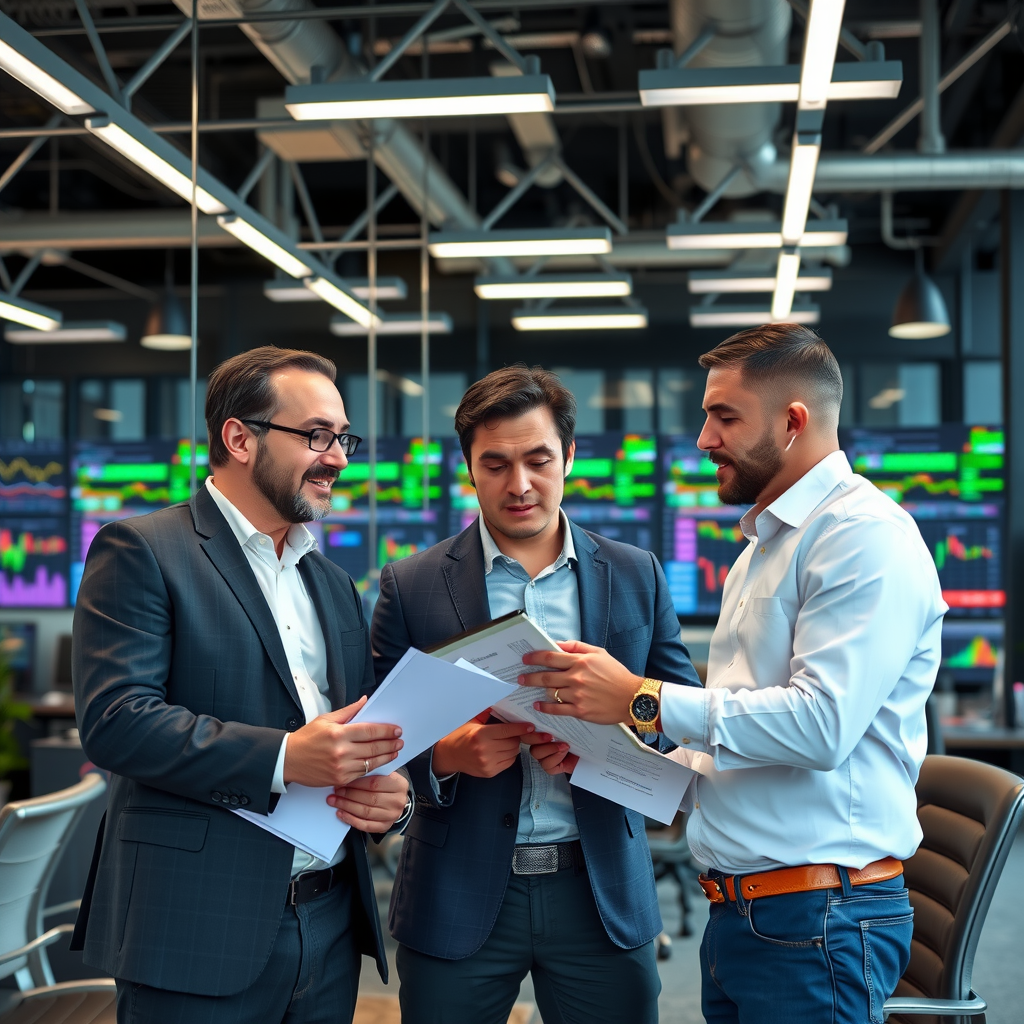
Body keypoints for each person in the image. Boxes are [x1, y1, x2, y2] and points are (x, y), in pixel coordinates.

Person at [521, 324, 946, 1024]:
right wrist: (605, 759)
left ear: (792, 421)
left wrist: (640, 699)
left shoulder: (864, 536)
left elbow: (820, 726)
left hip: (818, 919)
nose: (703, 439)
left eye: (724, 416)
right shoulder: (762, 547)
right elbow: (735, 744)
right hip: (749, 916)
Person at [72, 346, 412, 1024]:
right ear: (239, 438)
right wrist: (286, 759)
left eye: (345, 438)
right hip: (195, 928)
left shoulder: (334, 584)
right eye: (317, 435)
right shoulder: (143, 550)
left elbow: (366, 729)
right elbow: (117, 720)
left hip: (328, 924)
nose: (340, 456)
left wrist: (391, 796)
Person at [370, 365, 702, 1024]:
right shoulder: (410, 585)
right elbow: (375, 740)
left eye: (537, 460)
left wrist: (618, 724)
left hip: (600, 885)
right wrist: (446, 757)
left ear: (569, 457)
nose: (519, 485)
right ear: (468, 468)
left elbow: (679, 711)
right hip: (456, 890)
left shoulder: (637, 575)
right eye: (495, 464)